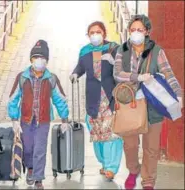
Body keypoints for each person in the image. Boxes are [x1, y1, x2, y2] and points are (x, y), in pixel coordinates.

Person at [113, 14, 183, 190]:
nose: (135, 33)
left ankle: (148, 180)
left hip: (152, 105)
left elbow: (168, 73)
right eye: (133, 30)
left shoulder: (156, 51)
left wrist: (179, 95)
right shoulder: (122, 49)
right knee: (130, 145)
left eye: (140, 30)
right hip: (130, 106)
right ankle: (133, 170)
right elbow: (117, 73)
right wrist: (138, 77)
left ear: (147, 32)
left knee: (151, 148)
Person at [7, 40, 69, 189]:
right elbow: (13, 99)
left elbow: (60, 99)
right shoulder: (22, 77)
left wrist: (65, 118)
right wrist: (14, 119)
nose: (38, 61)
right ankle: (30, 168)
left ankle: (38, 178)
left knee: (40, 149)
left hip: (43, 121)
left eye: (42, 58)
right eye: (35, 57)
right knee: (28, 148)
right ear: (31, 60)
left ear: (46, 61)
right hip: (26, 120)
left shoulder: (51, 78)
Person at [70, 21, 123, 181]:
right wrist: (74, 74)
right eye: (91, 32)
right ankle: (104, 162)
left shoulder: (114, 48)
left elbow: (125, 67)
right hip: (93, 99)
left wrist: (114, 62)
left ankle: (111, 167)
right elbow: (80, 67)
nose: (95, 35)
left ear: (104, 33)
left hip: (110, 97)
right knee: (97, 133)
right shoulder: (85, 51)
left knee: (112, 134)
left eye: (98, 32)